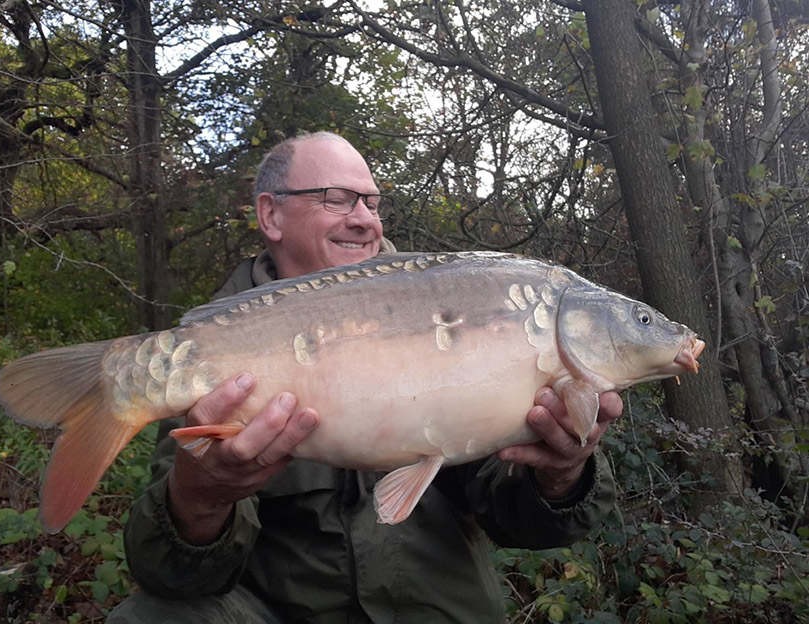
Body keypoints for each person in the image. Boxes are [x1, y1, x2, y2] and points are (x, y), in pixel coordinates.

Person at [108, 132, 623, 624]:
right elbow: (170, 575)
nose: (363, 220)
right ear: (271, 214)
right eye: (337, 199)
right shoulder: (211, 351)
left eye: (372, 204)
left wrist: (562, 474)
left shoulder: (455, 308)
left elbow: (524, 522)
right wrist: (201, 496)